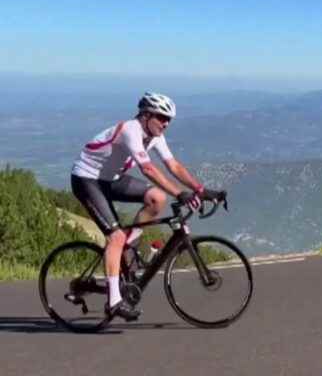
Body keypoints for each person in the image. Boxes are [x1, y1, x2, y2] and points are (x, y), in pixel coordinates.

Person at [71, 92, 215, 321]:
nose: (166, 123)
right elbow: (148, 169)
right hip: (87, 179)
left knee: (157, 198)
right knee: (115, 238)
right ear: (146, 115)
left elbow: (173, 166)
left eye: (169, 119)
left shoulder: (155, 136)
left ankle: (130, 242)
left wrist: (200, 189)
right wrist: (180, 192)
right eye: (161, 117)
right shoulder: (131, 130)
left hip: (111, 179)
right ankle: (114, 301)